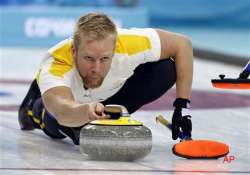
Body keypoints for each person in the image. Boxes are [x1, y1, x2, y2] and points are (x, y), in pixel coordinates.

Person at [18, 12, 193, 145]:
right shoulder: (56, 62)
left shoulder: (129, 44)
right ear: (74, 52)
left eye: (104, 59)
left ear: (115, 49)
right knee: (58, 123)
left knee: (166, 69)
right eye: (88, 58)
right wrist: (85, 112)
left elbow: (182, 44)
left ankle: (114, 114)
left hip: (108, 96)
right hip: (73, 104)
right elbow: (62, 109)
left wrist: (182, 108)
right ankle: (32, 107)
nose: (96, 68)